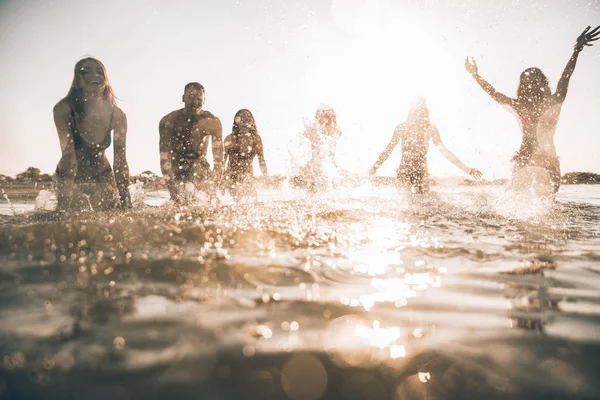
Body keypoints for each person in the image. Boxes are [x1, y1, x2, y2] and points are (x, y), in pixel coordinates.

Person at [465, 25, 600, 195]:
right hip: (525, 158)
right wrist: (475, 76)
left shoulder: (552, 102)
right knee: (519, 198)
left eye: (535, 81)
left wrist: (576, 51)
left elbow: (565, 77)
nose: (531, 85)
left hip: (546, 160)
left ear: (543, 84)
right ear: (522, 86)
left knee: (541, 203)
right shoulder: (522, 105)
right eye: (528, 82)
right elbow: (494, 93)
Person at [54, 57, 131, 211]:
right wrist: (66, 196)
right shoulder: (64, 109)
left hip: (102, 174)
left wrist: (125, 198)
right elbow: (68, 155)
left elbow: (120, 160)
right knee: (70, 222)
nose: (94, 75)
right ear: (77, 80)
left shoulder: (117, 115)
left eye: (99, 72)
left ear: (106, 80)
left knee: (112, 219)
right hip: (69, 175)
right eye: (86, 72)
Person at [369, 97, 482, 194]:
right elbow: (445, 152)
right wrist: (374, 168)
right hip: (417, 174)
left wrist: (375, 167)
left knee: (408, 211)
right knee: (421, 210)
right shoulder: (425, 128)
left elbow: (387, 151)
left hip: (411, 174)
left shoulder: (414, 128)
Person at [159, 82, 223, 203]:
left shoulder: (212, 121)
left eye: (199, 98)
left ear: (204, 100)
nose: (194, 101)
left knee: (206, 203)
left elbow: (219, 160)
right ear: (183, 98)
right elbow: (164, 160)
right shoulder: (168, 121)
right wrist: (173, 192)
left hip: (200, 167)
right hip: (177, 168)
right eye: (191, 97)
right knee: (180, 201)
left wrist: (214, 189)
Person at [293, 105, 343, 191]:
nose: (318, 118)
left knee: (318, 187)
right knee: (316, 187)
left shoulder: (331, 131)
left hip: (322, 164)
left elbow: (307, 134)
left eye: (320, 116)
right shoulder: (329, 130)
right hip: (319, 164)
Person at [222, 109, 268, 200]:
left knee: (252, 206)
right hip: (231, 178)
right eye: (242, 117)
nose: (246, 119)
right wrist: (221, 180)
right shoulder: (229, 139)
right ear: (237, 120)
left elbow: (261, 161)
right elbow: (221, 162)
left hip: (248, 179)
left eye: (249, 117)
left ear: (252, 121)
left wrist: (266, 176)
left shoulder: (256, 139)